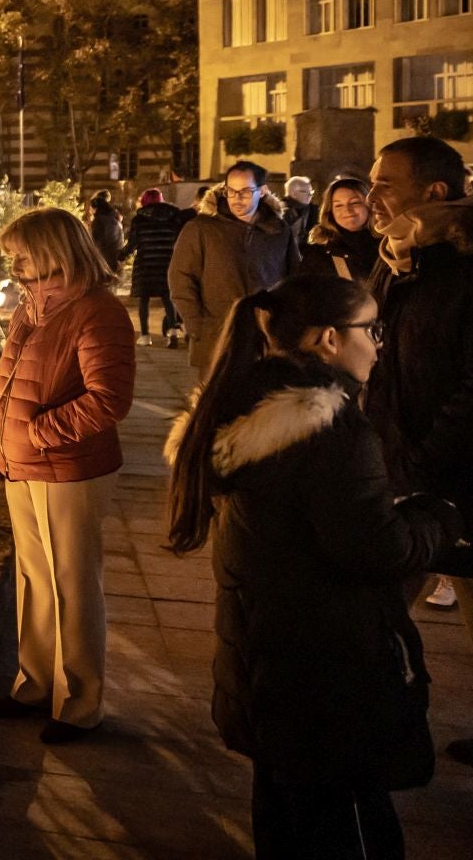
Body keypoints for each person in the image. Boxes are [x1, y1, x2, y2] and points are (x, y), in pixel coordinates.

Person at [165, 274, 463, 860]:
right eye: (371, 330)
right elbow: (379, 549)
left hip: (268, 658)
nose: (380, 345)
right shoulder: (330, 431)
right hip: (326, 670)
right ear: (328, 339)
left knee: (284, 812)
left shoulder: (244, 404)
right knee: (344, 824)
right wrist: (440, 517)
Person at [0, 208, 136, 743]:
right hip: (22, 465)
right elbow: (10, 376)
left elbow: (109, 400)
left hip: (69, 470)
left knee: (72, 582)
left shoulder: (98, 313)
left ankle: (79, 703)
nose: (15, 263)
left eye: (22, 253)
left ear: (51, 252)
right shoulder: (32, 308)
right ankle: (35, 685)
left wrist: (41, 433)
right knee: (34, 580)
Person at [364, 135, 473, 763]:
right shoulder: (399, 255)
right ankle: (373, 727)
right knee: (375, 605)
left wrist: (426, 459)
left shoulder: (464, 261)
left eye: (384, 183)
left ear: (434, 192)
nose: (371, 194)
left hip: (452, 470)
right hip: (397, 464)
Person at [168, 160, 300, 370]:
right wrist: (198, 327)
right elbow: (181, 278)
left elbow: (294, 279)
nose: (237, 198)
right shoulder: (201, 228)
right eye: (231, 191)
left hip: (267, 341)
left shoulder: (278, 230)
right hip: (217, 340)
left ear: (263, 191)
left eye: (246, 191)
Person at [122, 187, 187, 346]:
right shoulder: (173, 217)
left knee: (144, 300)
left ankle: (145, 335)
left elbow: (133, 243)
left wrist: (122, 255)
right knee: (167, 298)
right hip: (167, 263)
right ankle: (172, 331)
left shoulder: (140, 219)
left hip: (146, 264)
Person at [305, 176, 379, 284]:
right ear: (330, 211)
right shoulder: (318, 252)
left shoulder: (388, 245)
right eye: (338, 205)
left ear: (369, 205)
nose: (347, 210)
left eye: (355, 203)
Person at [87, 190, 125, 276]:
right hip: (115, 257)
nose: (90, 210)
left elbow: (95, 241)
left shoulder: (100, 221)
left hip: (104, 259)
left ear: (96, 208)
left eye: (91, 208)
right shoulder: (114, 218)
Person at [282, 174, 315, 256]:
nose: (310, 195)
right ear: (293, 193)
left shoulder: (313, 211)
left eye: (311, 192)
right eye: (306, 192)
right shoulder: (279, 213)